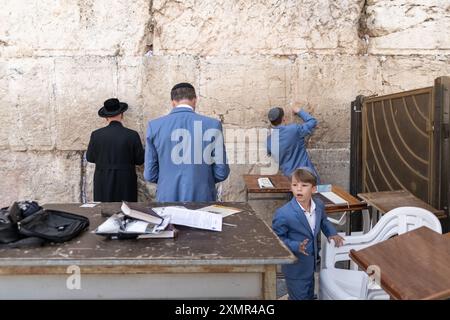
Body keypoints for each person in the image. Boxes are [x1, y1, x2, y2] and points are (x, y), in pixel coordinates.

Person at [144, 82, 230, 202]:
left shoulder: (154, 126)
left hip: (167, 197)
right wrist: (203, 180)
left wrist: (168, 180)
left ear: (173, 102)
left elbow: (150, 174)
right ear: (195, 100)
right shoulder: (213, 125)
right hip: (203, 197)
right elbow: (222, 172)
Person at [272, 167, 344, 300]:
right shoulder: (283, 214)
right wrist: (296, 246)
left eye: (304, 185)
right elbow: (276, 240)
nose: (299, 189)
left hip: (311, 265)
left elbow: (323, 221)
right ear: (291, 188)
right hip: (296, 268)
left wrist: (331, 233)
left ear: (313, 189)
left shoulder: (319, 205)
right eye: (295, 185)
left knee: (308, 295)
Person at [86, 98, 144, 202]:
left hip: (103, 179)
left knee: (103, 211)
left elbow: (90, 157)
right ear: (122, 114)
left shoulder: (96, 135)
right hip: (126, 180)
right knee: (126, 211)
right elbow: (140, 160)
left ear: (106, 117)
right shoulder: (132, 135)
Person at [266, 105, 320, 181]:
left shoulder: (269, 141)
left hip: (290, 181)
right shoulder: (294, 129)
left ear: (271, 123)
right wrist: (299, 111)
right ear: (283, 118)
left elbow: (272, 155)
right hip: (307, 176)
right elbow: (312, 121)